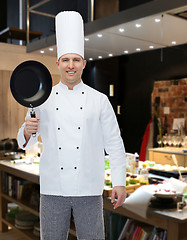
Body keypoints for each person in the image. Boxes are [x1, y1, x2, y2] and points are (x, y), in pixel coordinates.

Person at [17, 11, 126, 240]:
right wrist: (26, 132)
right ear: (57, 63)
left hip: (89, 187)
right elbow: (26, 142)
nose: (70, 66)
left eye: (76, 60)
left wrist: (120, 182)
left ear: (84, 63)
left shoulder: (99, 100)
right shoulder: (41, 98)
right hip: (52, 188)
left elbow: (115, 143)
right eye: (65, 60)